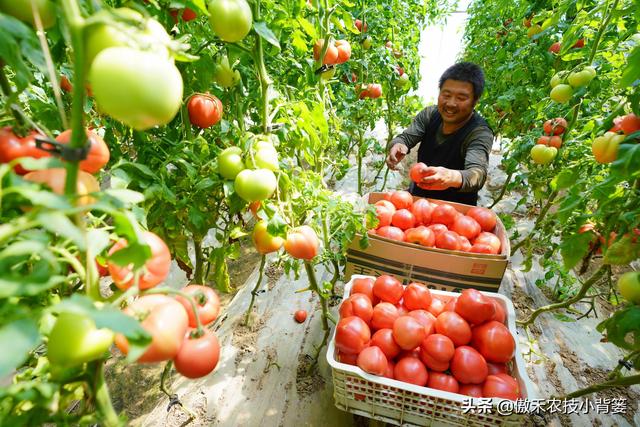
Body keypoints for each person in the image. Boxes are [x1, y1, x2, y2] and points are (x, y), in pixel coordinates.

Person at [385, 62, 494, 206]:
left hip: (454, 213)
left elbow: (477, 174)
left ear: (475, 101)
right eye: (446, 95)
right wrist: (398, 145)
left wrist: (451, 177)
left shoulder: (479, 132)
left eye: (461, 98)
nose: (451, 103)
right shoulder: (430, 115)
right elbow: (405, 138)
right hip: (419, 204)